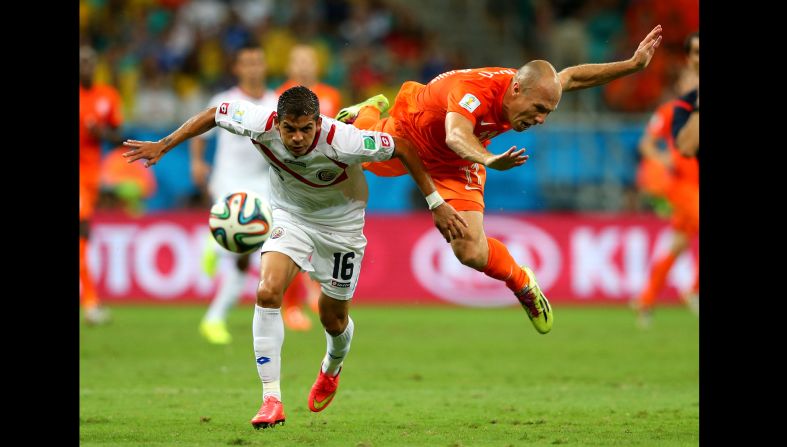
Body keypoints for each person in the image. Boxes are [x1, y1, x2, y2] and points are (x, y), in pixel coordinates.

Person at [122, 86, 467, 429]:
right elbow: (215, 114)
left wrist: (436, 203)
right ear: (278, 123)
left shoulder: (344, 140)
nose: (298, 138)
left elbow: (403, 147)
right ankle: (271, 399)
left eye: (306, 129)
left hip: (342, 228)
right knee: (267, 292)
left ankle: (332, 368)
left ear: (319, 123)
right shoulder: (260, 122)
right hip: (291, 217)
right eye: (290, 129)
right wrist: (164, 144)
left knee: (332, 319)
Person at [337, 26, 664, 335]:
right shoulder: (475, 91)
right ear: (517, 90)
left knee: (470, 252)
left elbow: (570, 76)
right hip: (409, 134)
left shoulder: (532, 86)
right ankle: (371, 106)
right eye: (538, 109)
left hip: (455, 162)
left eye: (547, 113)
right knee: (356, 150)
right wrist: (489, 159)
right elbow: (455, 134)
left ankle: (522, 282)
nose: (540, 119)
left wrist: (632, 65)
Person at [190, 44, 315, 343]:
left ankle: (214, 317)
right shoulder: (224, 100)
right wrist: (196, 162)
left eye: (258, 63)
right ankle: (218, 244)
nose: (253, 68)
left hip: (262, 183)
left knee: (247, 260)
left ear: (265, 67)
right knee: (245, 251)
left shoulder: (276, 102)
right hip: (228, 181)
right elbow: (202, 133)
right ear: (237, 68)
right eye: (247, 63)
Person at [273, 43, 345, 328]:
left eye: (308, 61)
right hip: (293, 180)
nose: (303, 66)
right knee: (292, 243)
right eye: (298, 61)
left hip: (326, 180)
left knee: (323, 242)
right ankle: (291, 307)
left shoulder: (331, 95)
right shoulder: (278, 96)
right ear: (289, 66)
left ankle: (317, 291)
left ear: (317, 65)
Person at [634, 31, 699, 328]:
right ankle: (694, 290)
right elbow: (646, 144)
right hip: (683, 185)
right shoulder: (670, 111)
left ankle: (645, 300)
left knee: (678, 245)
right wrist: (662, 160)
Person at [79, 45, 123, 325]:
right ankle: (91, 301)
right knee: (82, 233)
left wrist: (99, 132)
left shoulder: (108, 96)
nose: (86, 66)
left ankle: (91, 300)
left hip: (92, 175)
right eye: (81, 62)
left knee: (83, 237)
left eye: (89, 61)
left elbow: (118, 134)